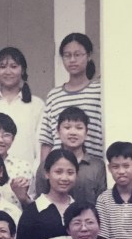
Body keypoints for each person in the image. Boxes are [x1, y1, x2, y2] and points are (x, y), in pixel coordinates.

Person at [37, 33, 104, 165]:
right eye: (67, 55)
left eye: (77, 54)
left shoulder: (99, 91)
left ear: (89, 56)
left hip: (91, 168)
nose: (72, 60)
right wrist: (45, 170)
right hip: (59, 169)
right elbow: (47, 140)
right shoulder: (54, 95)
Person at [0, 47, 45, 168]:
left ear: (22, 70)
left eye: (13, 66)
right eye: (2, 67)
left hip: (27, 174)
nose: (8, 72)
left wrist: (34, 173)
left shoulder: (37, 105)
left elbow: (41, 146)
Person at [34, 106, 107, 206]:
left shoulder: (98, 166)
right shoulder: (46, 166)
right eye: (67, 127)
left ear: (86, 133)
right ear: (58, 132)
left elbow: (102, 204)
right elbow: (40, 203)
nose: (73, 132)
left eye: (79, 128)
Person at [15, 148, 77, 239]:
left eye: (70, 172)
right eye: (58, 172)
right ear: (47, 173)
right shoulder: (32, 212)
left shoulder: (80, 210)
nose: (64, 178)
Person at [0, 112, 35, 208]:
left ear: (13, 138)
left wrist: (23, 197)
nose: (0, 140)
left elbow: (34, 208)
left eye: (6, 135)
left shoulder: (24, 167)